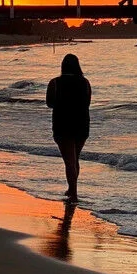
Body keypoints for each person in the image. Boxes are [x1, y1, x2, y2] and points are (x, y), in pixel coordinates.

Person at [46, 54, 91, 201]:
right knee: (74, 159)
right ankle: (72, 189)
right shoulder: (85, 82)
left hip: (62, 124)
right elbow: (87, 103)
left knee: (69, 161)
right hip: (81, 124)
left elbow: (49, 103)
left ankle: (74, 193)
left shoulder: (55, 83)